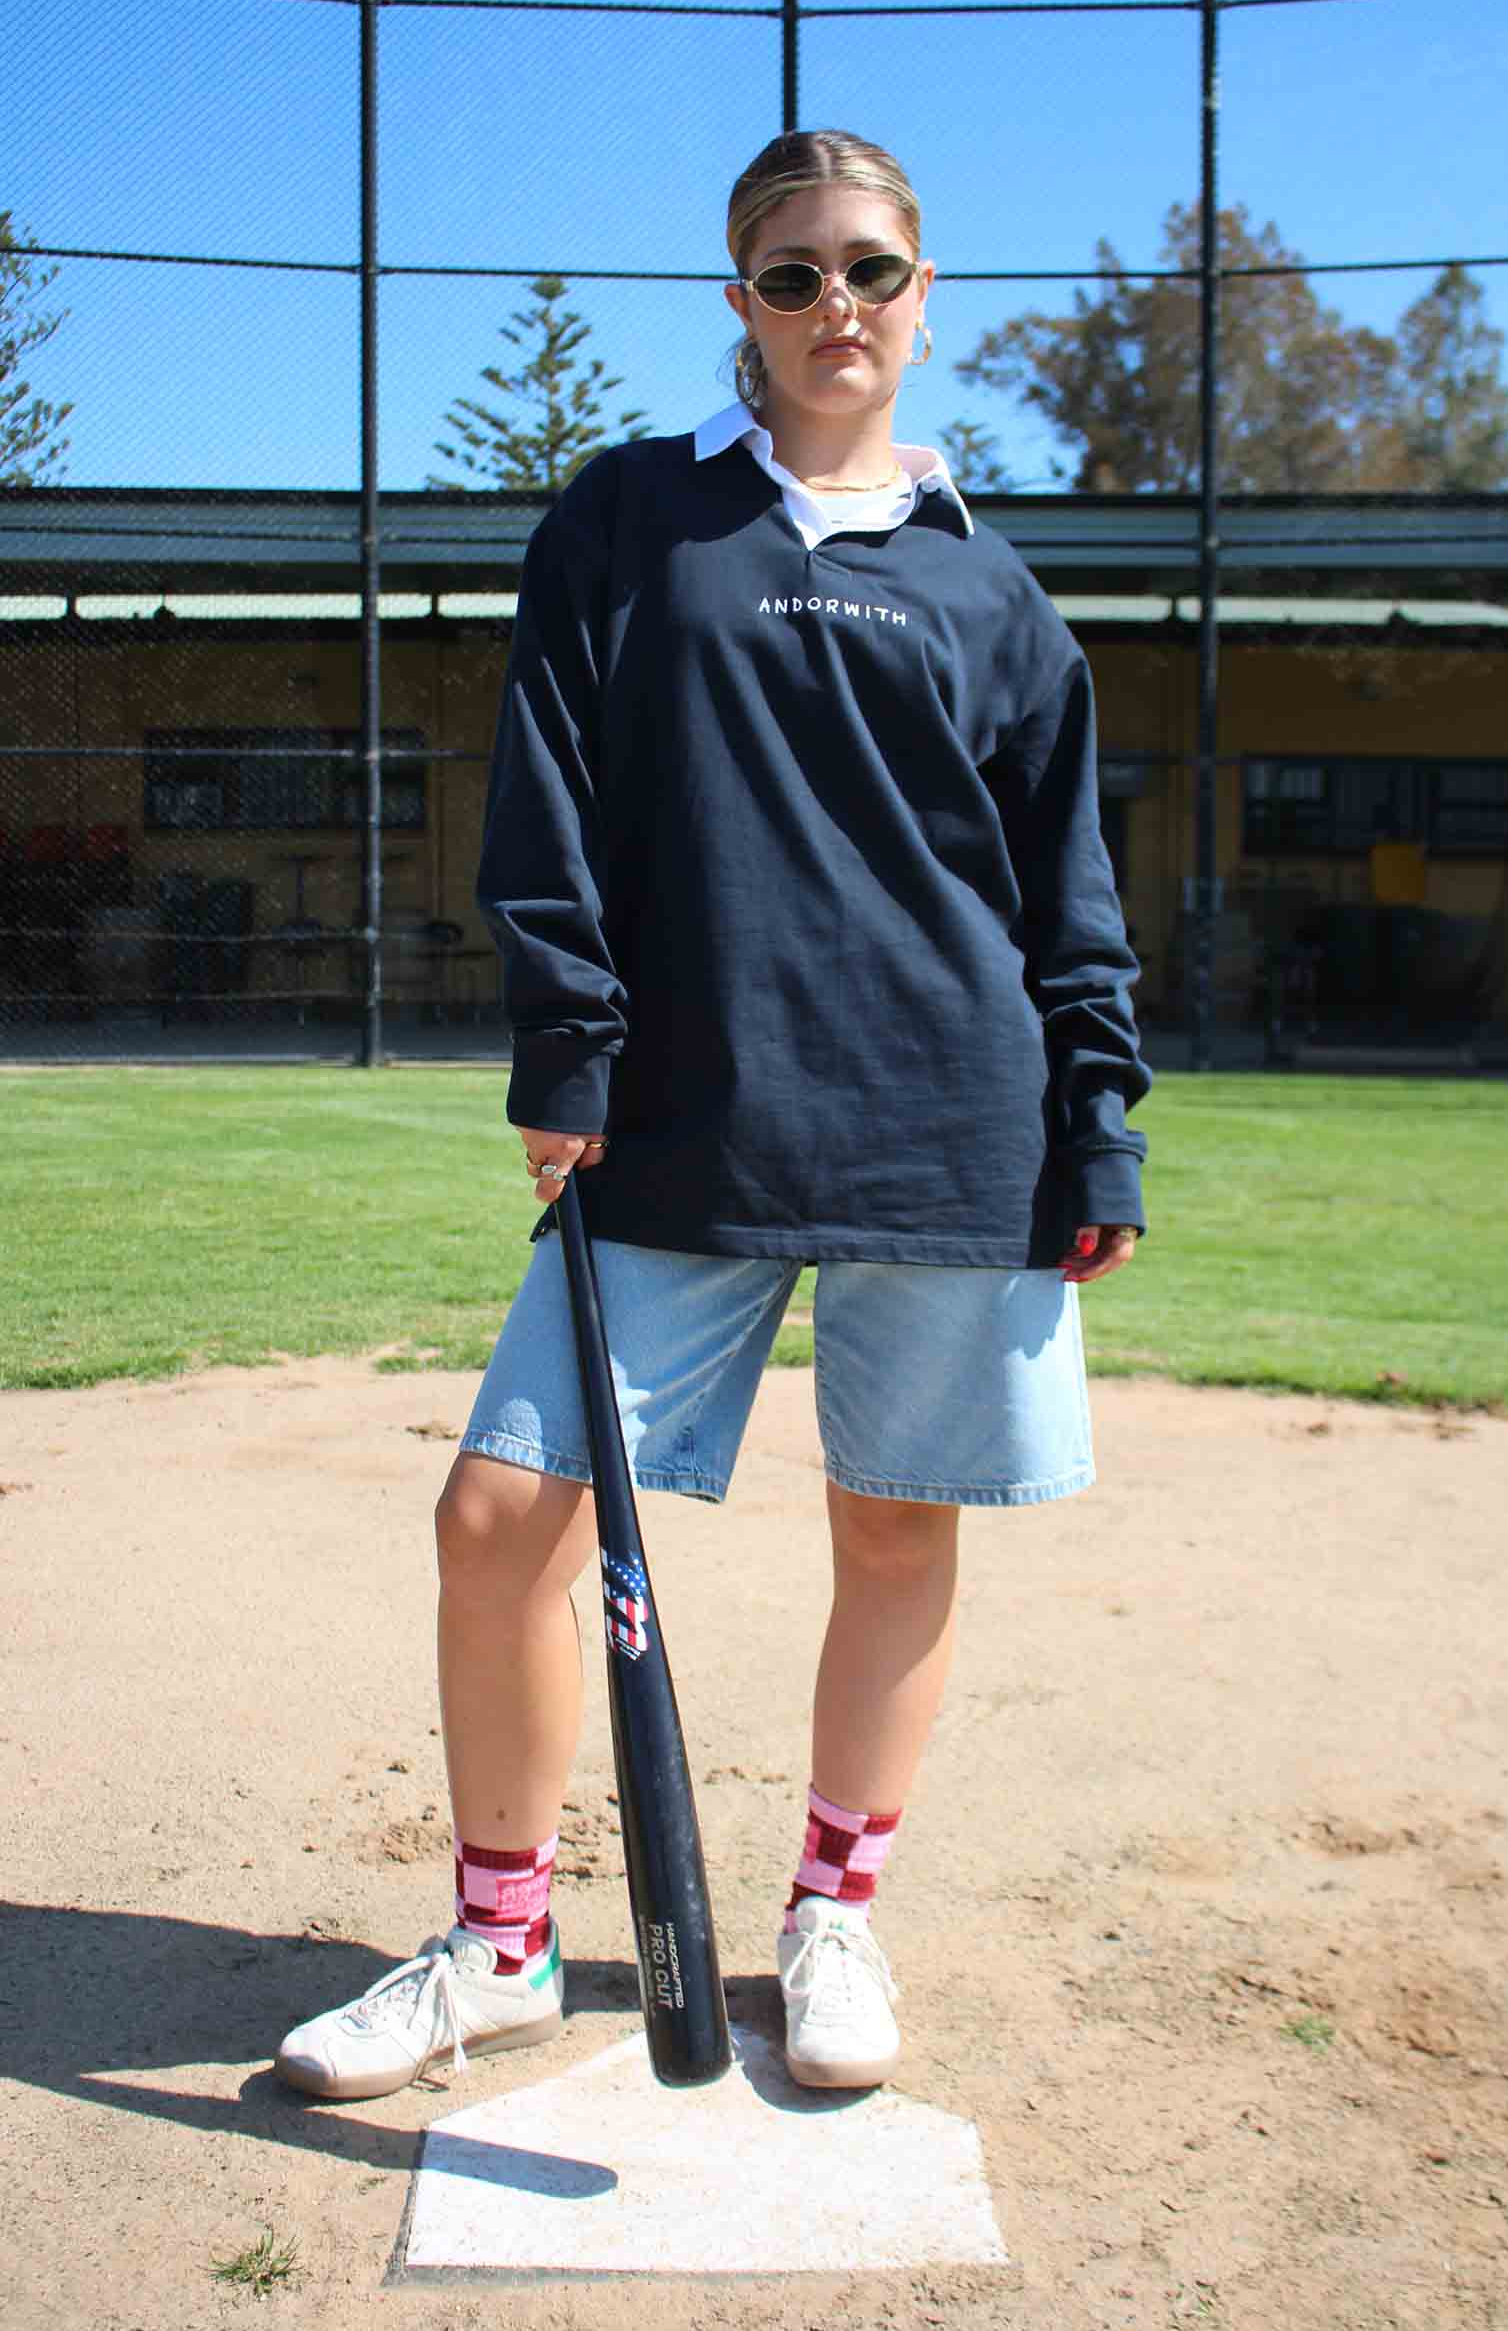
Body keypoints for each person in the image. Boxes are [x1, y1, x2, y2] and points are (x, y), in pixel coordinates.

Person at [274, 129, 1150, 2103]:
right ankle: (500, 1939)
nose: (832, 305)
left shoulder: (995, 595)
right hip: (679, 1108)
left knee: (895, 1528)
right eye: (789, 273)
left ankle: (831, 1914)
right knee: (498, 1518)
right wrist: (564, 1048)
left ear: (922, 299)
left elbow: (1058, 887)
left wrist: (1094, 1121)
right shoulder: (630, 522)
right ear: (738, 300)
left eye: (867, 270)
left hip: (951, 1115)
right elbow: (551, 794)